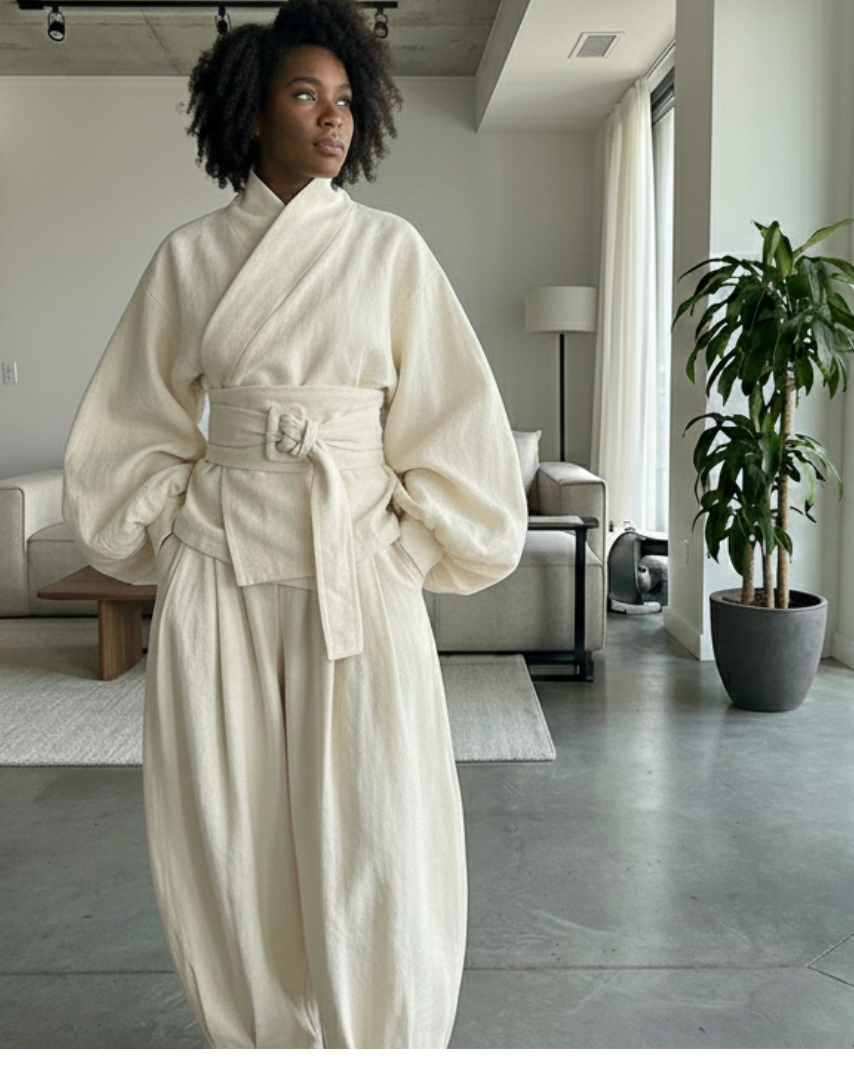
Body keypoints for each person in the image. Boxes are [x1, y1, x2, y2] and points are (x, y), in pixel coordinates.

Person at [62, 0, 526, 1051]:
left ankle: (383, 1046)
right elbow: (128, 424)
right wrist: (175, 535)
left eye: (346, 98)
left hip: (356, 569)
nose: (333, 118)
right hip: (221, 572)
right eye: (305, 94)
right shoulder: (189, 259)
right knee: (231, 824)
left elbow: (454, 420)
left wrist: (406, 549)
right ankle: (264, 1043)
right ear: (251, 110)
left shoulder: (391, 252)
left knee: (378, 822)